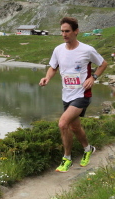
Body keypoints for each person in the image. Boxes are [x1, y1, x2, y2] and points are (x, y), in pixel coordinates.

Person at [39, 17, 108, 172]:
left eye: (67, 31)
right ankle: (88, 149)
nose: (64, 34)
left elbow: (103, 64)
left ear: (76, 31)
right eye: (62, 31)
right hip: (67, 95)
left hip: (82, 94)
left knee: (63, 123)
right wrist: (47, 78)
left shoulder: (87, 50)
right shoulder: (58, 50)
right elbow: (53, 67)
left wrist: (93, 77)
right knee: (75, 127)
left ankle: (67, 158)